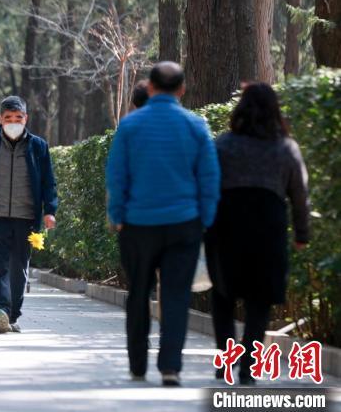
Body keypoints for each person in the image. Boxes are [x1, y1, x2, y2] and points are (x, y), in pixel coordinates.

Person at [105, 62, 220, 386]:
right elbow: (209, 179)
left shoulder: (130, 127)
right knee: (176, 295)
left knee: (138, 291)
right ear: (182, 90)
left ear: (151, 88)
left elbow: (117, 175)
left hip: (138, 224)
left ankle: (138, 364)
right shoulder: (197, 126)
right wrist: (205, 221)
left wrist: (118, 216)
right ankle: (170, 366)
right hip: (184, 224)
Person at [205, 83, 309, 385]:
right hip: (268, 225)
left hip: (226, 224)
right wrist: (301, 233)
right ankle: (248, 367)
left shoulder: (224, 144)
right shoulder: (286, 148)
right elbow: (300, 194)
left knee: (223, 295)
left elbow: (207, 185)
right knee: (259, 299)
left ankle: (225, 361)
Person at [0, 96, 58, 334]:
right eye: (8, 118)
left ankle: (12, 313)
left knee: (19, 267)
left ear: (26, 118)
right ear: (0, 118)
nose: (13, 122)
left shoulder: (38, 146)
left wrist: (50, 210)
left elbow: (49, 182)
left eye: (18, 117)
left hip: (27, 217)